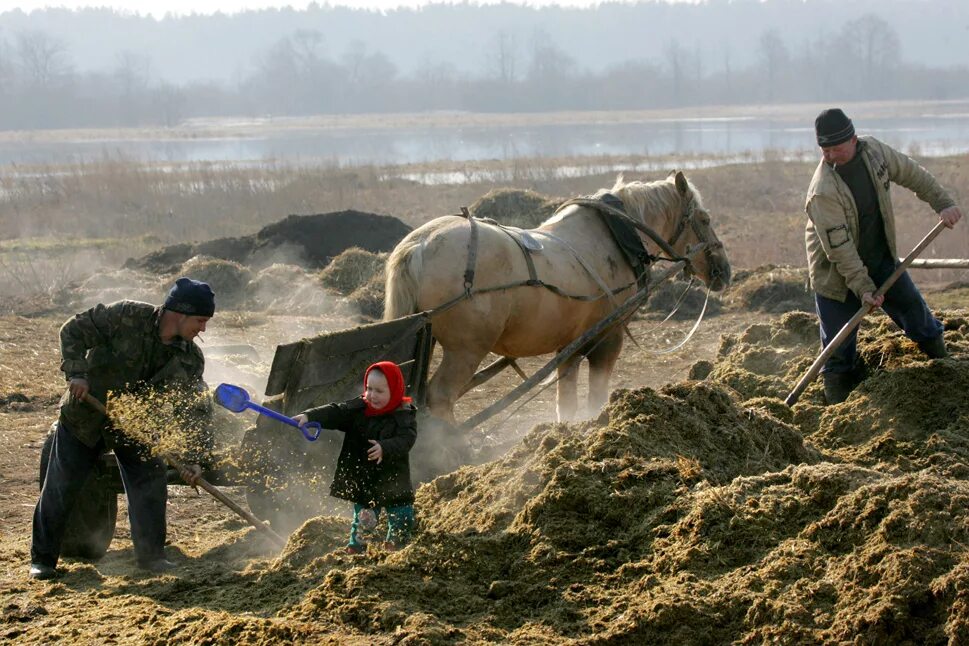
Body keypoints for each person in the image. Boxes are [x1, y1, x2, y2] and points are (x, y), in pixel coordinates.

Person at [29, 277, 215, 580]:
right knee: (61, 487)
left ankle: (152, 557)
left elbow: (193, 409)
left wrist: (193, 457)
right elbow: (72, 331)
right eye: (200, 320)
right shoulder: (125, 316)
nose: (203, 329)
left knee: (150, 485)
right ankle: (43, 560)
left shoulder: (189, 358)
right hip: (87, 414)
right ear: (179, 313)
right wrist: (76, 373)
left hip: (135, 425)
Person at [805, 108, 963, 404]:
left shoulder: (874, 152)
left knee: (919, 317)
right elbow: (840, 251)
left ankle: (946, 366)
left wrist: (942, 203)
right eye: (824, 150)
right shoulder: (822, 192)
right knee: (838, 349)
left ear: (853, 140)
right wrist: (864, 288)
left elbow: (912, 173)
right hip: (836, 275)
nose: (830, 156)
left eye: (836, 148)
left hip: (880, 258)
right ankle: (838, 407)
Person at [293, 361, 417, 554]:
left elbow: (406, 439)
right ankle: (357, 546)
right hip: (365, 477)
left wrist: (385, 447)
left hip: (394, 477)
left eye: (379, 391)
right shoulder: (359, 409)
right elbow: (336, 412)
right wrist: (310, 416)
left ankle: (395, 543)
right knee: (365, 518)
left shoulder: (403, 415)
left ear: (395, 391)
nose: (372, 395)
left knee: (402, 514)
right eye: (369, 388)